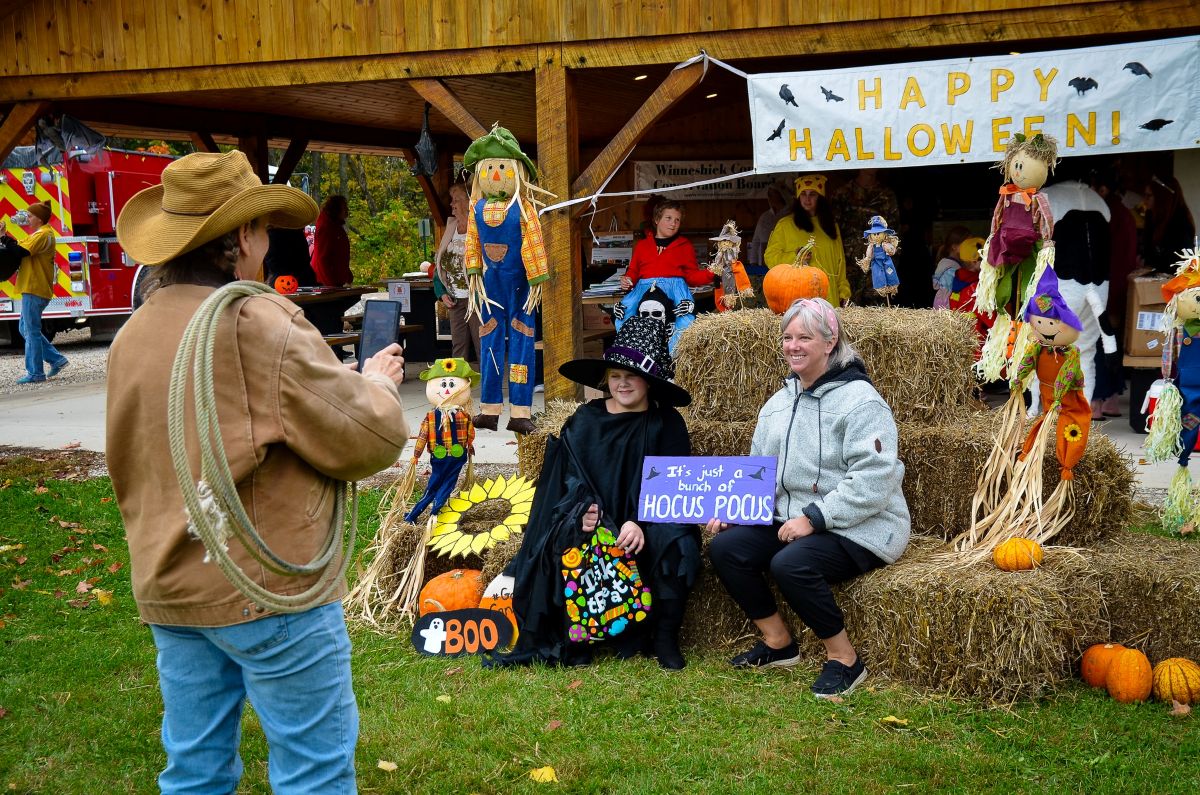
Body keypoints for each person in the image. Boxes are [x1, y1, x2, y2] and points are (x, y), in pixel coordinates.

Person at [107, 151, 410, 793]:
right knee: (314, 774)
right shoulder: (257, 320)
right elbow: (367, 438)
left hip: (172, 588)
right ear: (241, 238)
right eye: (265, 228)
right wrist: (377, 387)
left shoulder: (132, 334)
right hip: (267, 591)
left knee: (194, 772)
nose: (268, 243)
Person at [707, 297, 910, 699]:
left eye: (804, 337)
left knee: (791, 564)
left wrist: (814, 518)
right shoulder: (778, 403)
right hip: (793, 517)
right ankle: (780, 644)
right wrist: (739, 509)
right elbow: (759, 468)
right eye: (787, 338)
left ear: (830, 341)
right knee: (727, 548)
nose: (792, 346)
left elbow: (875, 478)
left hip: (863, 524)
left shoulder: (861, 402)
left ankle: (845, 660)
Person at [495, 315, 700, 670]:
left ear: (649, 382)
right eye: (615, 376)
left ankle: (664, 637)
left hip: (646, 521)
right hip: (596, 519)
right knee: (566, 538)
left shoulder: (667, 423)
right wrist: (585, 511)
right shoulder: (586, 419)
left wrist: (639, 521)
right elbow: (569, 479)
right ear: (606, 380)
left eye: (631, 376)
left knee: (677, 538)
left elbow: (675, 485)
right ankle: (581, 635)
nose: (622, 384)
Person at [615, 199, 714, 354]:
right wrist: (627, 279)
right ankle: (635, 353)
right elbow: (633, 271)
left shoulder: (685, 245)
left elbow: (692, 276)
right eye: (668, 218)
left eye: (677, 220)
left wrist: (713, 273)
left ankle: (673, 359)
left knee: (686, 319)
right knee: (623, 312)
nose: (673, 223)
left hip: (675, 288)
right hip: (644, 286)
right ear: (656, 220)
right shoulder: (642, 245)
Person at [765, 175, 851, 306]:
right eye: (803, 194)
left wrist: (844, 292)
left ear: (820, 198)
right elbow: (770, 258)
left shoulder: (831, 226)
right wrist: (796, 256)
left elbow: (840, 262)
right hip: (799, 300)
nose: (807, 199)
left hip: (830, 298)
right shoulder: (785, 225)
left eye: (813, 194)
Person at [13, 202, 69, 384]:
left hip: (34, 287)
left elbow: (21, 251)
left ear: (39, 218)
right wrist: (4, 237)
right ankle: (56, 359)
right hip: (34, 288)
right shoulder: (40, 234)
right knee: (25, 329)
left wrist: (4, 239)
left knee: (32, 331)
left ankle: (35, 373)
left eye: (30, 216)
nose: (27, 219)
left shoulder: (42, 235)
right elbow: (19, 247)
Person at [831, 168, 900, 303]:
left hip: (878, 263)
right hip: (849, 265)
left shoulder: (886, 195)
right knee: (848, 308)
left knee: (877, 309)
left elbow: (894, 233)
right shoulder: (842, 194)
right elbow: (833, 233)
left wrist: (891, 264)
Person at [433, 183, 481, 363]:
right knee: (458, 347)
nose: (452, 204)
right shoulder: (451, 227)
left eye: (457, 200)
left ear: (469, 203)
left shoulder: (479, 227)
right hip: (455, 299)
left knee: (482, 344)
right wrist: (441, 293)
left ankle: (489, 386)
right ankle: (458, 385)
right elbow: (439, 263)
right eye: (452, 201)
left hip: (475, 299)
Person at [1142, 175, 1195, 274]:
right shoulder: (1152, 216)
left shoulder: (1180, 222)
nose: (1144, 200)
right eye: (1144, 195)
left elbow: (1182, 262)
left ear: (1162, 197)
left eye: (1149, 196)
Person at [311, 194, 352, 286]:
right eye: (344, 208)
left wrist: (347, 274)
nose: (347, 211)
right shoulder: (327, 227)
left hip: (333, 280)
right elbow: (322, 258)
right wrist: (331, 284)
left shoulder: (335, 226)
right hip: (325, 282)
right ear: (336, 209)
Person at [748, 183, 791, 271]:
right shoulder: (765, 216)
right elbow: (756, 240)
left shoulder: (790, 214)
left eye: (773, 194)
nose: (770, 197)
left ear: (780, 195)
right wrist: (753, 262)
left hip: (785, 260)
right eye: (769, 195)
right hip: (765, 261)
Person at [932, 226, 971, 309]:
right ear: (954, 247)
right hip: (947, 305)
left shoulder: (952, 263)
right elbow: (957, 287)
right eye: (966, 244)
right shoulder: (950, 267)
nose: (970, 247)